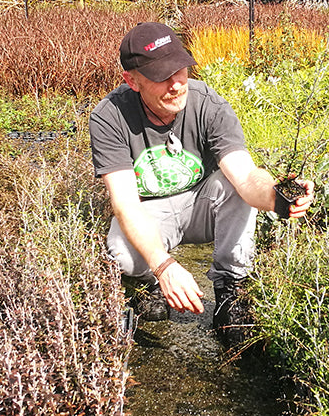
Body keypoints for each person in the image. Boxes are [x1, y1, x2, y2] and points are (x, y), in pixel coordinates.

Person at [89, 21, 314, 343]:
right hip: (151, 212)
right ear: (132, 81)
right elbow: (125, 204)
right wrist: (164, 266)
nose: (176, 84)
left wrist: (276, 196)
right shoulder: (109, 116)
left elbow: (245, 175)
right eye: (161, 76)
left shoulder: (208, 103)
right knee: (122, 252)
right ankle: (147, 285)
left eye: (180, 70)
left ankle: (230, 288)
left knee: (232, 185)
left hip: (202, 204)